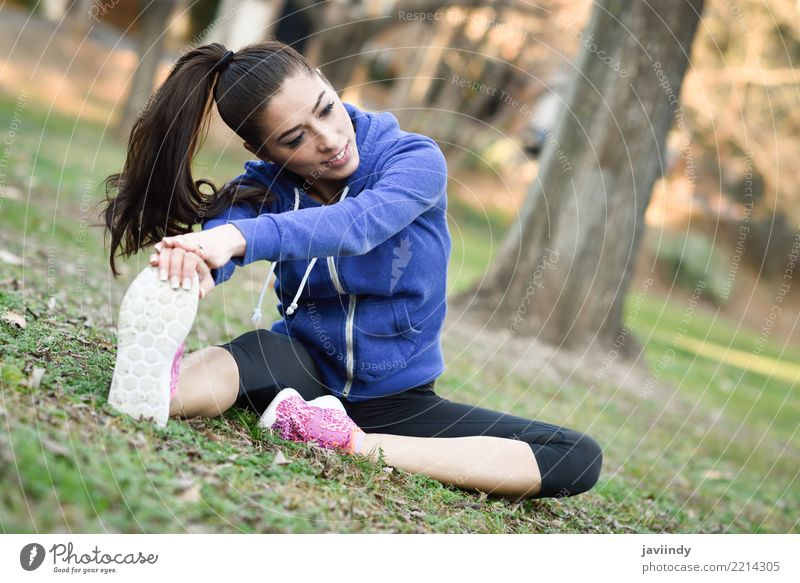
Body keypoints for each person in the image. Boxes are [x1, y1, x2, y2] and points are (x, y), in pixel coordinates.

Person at [102, 41, 602, 500]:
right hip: (301, 368)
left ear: (326, 80)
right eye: (296, 137)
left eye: (326, 108)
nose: (329, 139)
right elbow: (224, 245)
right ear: (263, 152)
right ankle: (155, 387)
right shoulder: (263, 187)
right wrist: (193, 265)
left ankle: (344, 440)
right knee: (249, 354)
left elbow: (357, 225)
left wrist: (233, 239)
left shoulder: (412, 160)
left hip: (398, 401)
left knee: (576, 457)